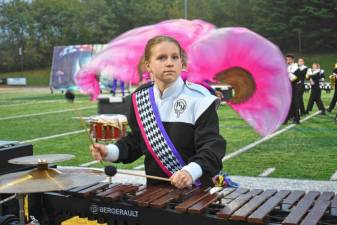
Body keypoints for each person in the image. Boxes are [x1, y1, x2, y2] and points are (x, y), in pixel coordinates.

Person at [91, 35, 226, 189]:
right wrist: (109, 151)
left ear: (182, 63)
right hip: (154, 193)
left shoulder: (200, 99)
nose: (169, 63)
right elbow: (137, 141)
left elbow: (212, 147)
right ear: (148, 66)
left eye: (175, 57)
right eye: (162, 58)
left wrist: (190, 171)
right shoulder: (140, 97)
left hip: (196, 192)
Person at [284, 54, 301, 124]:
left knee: (295, 103)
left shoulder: (296, 67)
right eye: (286, 59)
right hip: (288, 86)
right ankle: (286, 120)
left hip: (294, 86)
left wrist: (288, 77)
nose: (287, 60)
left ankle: (297, 119)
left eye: (288, 59)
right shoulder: (287, 67)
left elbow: (296, 78)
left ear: (292, 60)